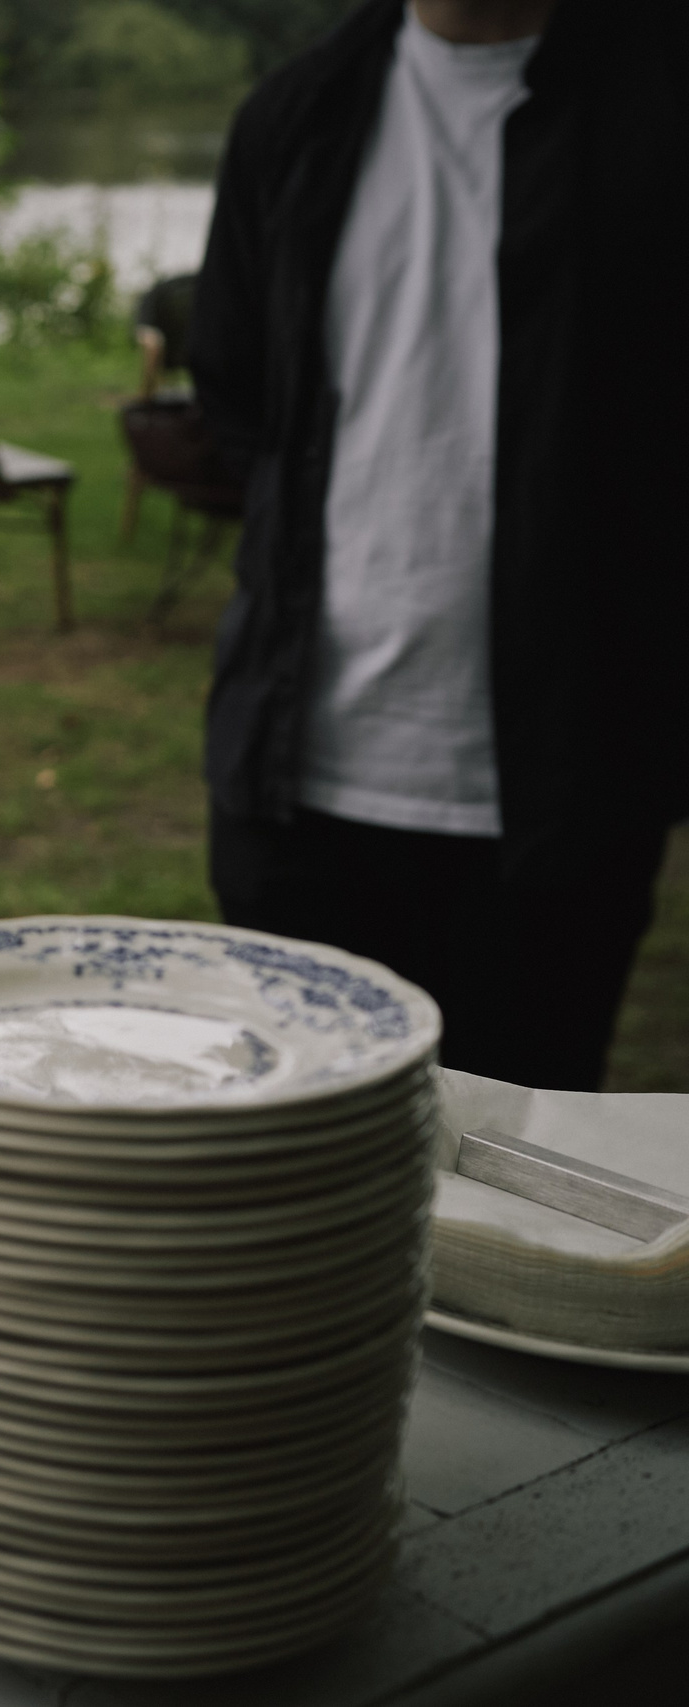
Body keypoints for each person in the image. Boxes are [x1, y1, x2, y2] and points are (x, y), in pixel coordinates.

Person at [189, 0, 687, 1090]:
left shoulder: (659, 97)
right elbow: (233, 394)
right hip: (297, 788)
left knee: (509, 1200)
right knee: (294, 1181)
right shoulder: (296, 114)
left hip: (560, 790)